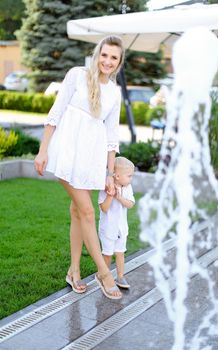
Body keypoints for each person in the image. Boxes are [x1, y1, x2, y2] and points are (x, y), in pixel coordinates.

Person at [34, 36, 125, 300]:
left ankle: (73, 271)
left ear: (119, 63)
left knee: (77, 211)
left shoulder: (114, 93)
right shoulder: (77, 75)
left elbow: (111, 136)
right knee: (86, 211)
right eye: (104, 55)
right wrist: (43, 151)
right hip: (65, 151)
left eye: (113, 58)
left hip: (90, 157)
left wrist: (109, 173)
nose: (107, 61)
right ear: (97, 54)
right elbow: (56, 112)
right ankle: (103, 273)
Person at [98, 157, 135, 289]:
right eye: (129, 176)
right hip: (108, 228)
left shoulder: (128, 188)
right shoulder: (106, 186)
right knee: (107, 253)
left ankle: (120, 277)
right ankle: (104, 275)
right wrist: (110, 195)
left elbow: (130, 204)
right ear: (117, 176)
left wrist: (119, 197)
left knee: (120, 252)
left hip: (121, 228)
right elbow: (104, 208)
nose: (131, 179)